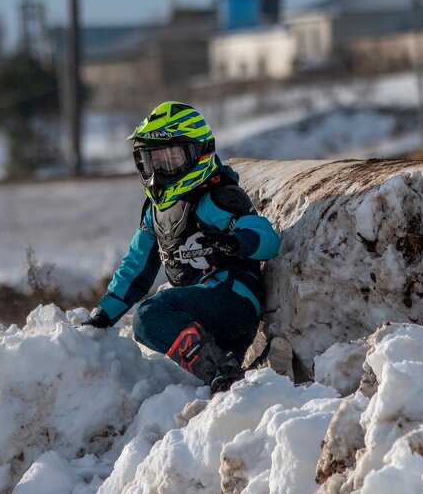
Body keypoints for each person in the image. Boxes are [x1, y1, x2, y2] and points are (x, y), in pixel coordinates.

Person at [81, 101, 280, 393]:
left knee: (150, 315)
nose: (159, 171)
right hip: (202, 313)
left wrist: (234, 241)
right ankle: (239, 379)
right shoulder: (155, 211)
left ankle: (223, 373)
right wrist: (103, 315)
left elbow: (266, 238)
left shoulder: (217, 197)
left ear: (199, 152)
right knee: (159, 325)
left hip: (234, 298)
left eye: (170, 160)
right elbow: (135, 268)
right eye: (152, 161)